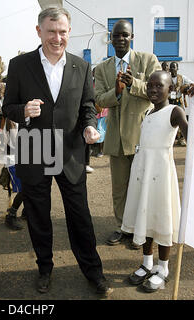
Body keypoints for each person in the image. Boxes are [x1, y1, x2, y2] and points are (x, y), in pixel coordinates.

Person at [2, 7, 111, 296]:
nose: (57, 38)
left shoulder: (81, 66)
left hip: (70, 153)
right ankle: (45, 268)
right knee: (38, 215)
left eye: (62, 32)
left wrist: (89, 126)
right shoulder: (19, 65)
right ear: (39, 31)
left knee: (80, 216)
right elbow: (7, 107)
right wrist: (23, 110)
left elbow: (88, 106)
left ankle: (93, 272)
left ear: (69, 32)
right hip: (34, 152)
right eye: (51, 31)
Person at [94, 19, 161, 248]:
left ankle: (141, 230)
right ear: (110, 39)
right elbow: (99, 100)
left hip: (143, 137)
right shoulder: (102, 68)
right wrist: (118, 91)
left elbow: (158, 91)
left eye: (125, 35)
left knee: (143, 186)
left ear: (132, 37)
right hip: (116, 138)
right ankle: (123, 228)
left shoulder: (147, 60)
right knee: (120, 188)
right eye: (116, 35)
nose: (120, 39)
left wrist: (135, 84)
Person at [121, 71, 188, 292]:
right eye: (150, 86)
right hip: (143, 172)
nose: (153, 90)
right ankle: (147, 263)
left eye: (159, 86)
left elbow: (189, 134)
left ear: (171, 89)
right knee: (146, 215)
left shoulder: (174, 112)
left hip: (161, 174)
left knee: (162, 217)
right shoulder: (148, 113)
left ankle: (163, 268)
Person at [2, 117, 24, 230]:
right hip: (13, 159)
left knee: (31, 185)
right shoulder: (12, 118)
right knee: (24, 189)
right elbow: (16, 141)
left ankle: (27, 212)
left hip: (23, 157)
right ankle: (11, 215)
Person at [168, 62, 193, 145]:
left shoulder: (181, 78)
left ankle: (181, 139)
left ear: (177, 68)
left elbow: (191, 83)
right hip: (169, 101)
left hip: (178, 101)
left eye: (174, 67)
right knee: (168, 120)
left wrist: (186, 88)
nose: (172, 69)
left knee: (182, 120)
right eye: (171, 67)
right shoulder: (166, 78)